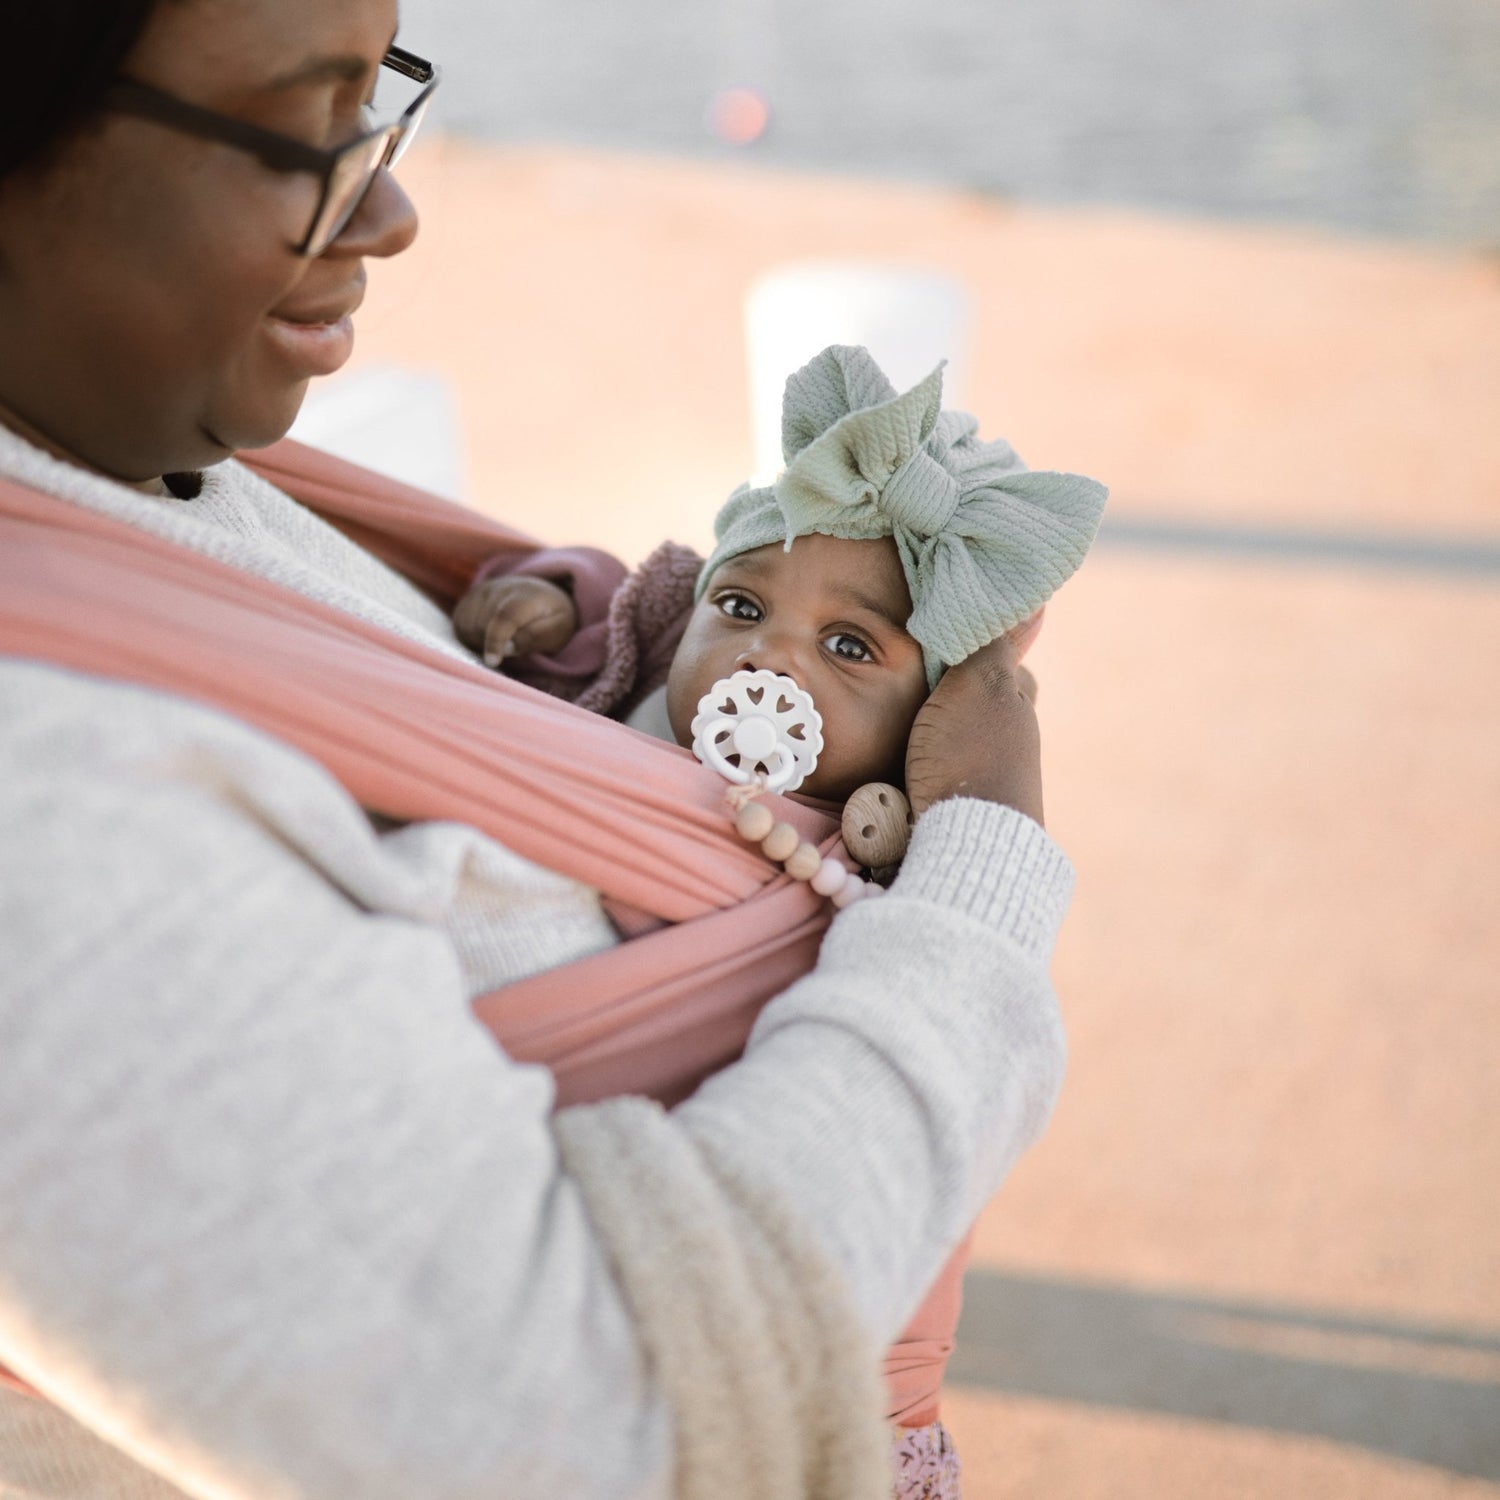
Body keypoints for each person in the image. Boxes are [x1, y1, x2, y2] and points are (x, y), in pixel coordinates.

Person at [0, 6, 1076, 1500]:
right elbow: (618, 1439)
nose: (388, 204)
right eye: (306, 128)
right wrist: (976, 901)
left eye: (377, 96)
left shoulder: (130, 467)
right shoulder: (46, 828)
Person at [454, 343, 1107, 813]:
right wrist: (549, 599)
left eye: (848, 646)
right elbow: (609, 600)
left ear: (923, 721)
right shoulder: (651, 658)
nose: (766, 654)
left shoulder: (879, 843)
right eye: (741, 605)